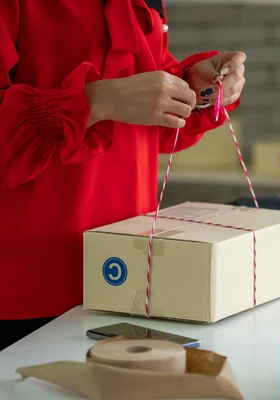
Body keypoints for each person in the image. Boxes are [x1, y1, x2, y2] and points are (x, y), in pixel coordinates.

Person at [0, 0, 246, 350]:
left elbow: (147, 125)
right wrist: (97, 101)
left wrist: (190, 89)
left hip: (126, 274)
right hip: (27, 287)